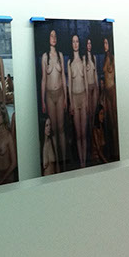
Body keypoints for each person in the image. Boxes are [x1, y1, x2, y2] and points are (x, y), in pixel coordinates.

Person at [41, 29, 66, 169]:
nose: (54, 38)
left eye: (55, 35)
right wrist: (42, 100)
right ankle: (57, 164)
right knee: (54, 130)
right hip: (49, 96)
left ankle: (65, 161)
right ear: (48, 38)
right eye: (51, 35)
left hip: (60, 94)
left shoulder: (60, 55)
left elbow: (63, 78)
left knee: (61, 129)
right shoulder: (45, 57)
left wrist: (66, 98)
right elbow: (43, 80)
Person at [67, 34, 88, 168]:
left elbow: (85, 82)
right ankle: (81, 163)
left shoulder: (83, 61)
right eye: (73, 41)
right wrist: (71, 103)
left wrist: (87, 100)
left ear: (79, 43)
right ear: (71, 44)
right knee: (78, 134)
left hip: (83, 98)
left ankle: (85, 162)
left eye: (77, 41)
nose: (75, 44)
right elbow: (69, 84)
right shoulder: (70, 63)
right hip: (74, 99)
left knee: (84, 134)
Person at [103, 36, 119, 160]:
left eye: (106, 43)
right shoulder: (105, 57)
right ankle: (113, 149)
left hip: (112, 90)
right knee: (109, 121)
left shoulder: (112, 58)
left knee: (114, 122)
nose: (105, 45)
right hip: (107, 92)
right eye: (104, 43)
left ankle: (116, 150)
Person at [84, 38, 99, 140]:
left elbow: (95, 73)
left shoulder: (94, 57)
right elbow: (84, 77)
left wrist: (97, 88)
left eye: (90, 43)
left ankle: (94, 135)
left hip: (94, 87)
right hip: (88, 88)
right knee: (88, 113)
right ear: (85, 45)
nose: (89, 45)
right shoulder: (84, 58)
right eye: (87, 43)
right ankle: (89, 135)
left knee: (93, 112)